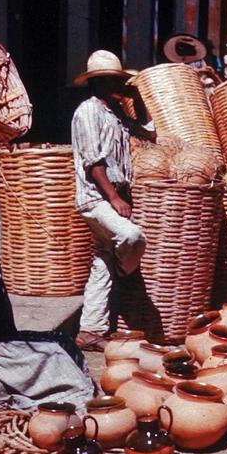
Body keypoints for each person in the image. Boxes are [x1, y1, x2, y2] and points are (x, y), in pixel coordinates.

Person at [72, 50, 151, 351]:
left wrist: (136, 97)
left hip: (110, 197)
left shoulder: (115, 114)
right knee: (132, 236)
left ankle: (89, 331)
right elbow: (94, 162)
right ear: (98, 82)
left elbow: (148, 130)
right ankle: (125, 271)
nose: (118, 85)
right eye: (113, 81)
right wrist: (114, 197)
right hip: (95, 198)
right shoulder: (88, 112)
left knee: (102, 263)